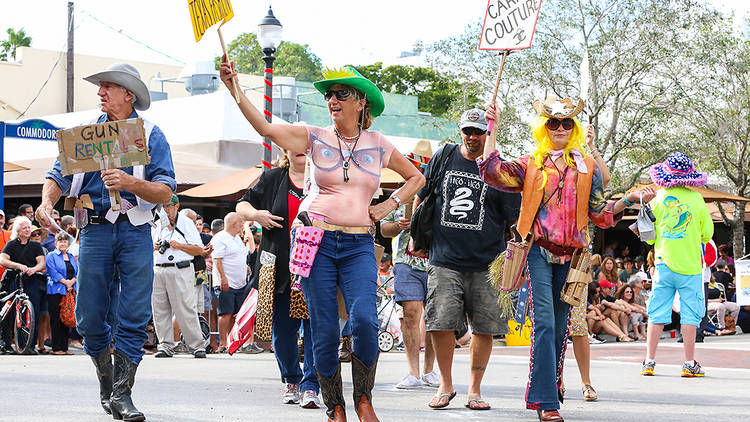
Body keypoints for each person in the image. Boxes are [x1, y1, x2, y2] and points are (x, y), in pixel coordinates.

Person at [220, 60, 424, 422]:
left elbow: (416, 178)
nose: (332, 99)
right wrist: (234, 86)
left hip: (359, 244)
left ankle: (363, 398)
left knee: (363, 320)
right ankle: (336, 406)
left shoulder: (378, 144)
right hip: (317, 241)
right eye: (329, 94)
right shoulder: (313, 136)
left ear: (361, 102)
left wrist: (389, 205)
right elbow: (265, 126)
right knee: (325, 327)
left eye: (341, 94)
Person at [479, 96, 654, 421]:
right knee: (544, 324)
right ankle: (546, 402)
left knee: (560, 329)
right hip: (537, 252)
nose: (559, 128)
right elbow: (492, 172)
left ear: (573, 128)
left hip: (574, 258)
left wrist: (628, 199)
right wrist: (493, 128)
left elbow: (600, 214)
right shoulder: (532, 162)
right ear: (544, 128)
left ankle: (551, 381)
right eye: (553, 123)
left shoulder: (585, 166)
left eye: (566, 123)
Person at [37, 62, 175, 420]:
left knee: (134, 314)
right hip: (95, 228)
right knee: (88, 317)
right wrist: (46, 202)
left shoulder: (151, 135)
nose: (100, 92)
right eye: (100, 87)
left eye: (108, 87)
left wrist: (131, 184)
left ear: (128, 95)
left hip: (135, 230)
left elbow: (165, 191)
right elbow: (58, 174)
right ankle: (107, 381)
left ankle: (122, 394)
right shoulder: (84, 136)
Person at [409, 108, 518, 412]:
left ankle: (475, 390)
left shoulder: (501, 169)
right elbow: (423, 194)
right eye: (467, 131)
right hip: (444, 258)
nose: (472, 137)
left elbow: (513, 221)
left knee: (484, 328)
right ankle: (445, 384)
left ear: (488, 133)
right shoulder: (444, 156)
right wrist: (416, 234)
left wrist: (516, 259)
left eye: (479, 131)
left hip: (487, 262)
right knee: (439, 322)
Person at [236, 149, 321, 409]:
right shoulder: (273, 177)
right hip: (279, 264)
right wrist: (256, 215)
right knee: (283, 330)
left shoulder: (322, 177)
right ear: (285, 149)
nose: (299, 149)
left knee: (316, 329)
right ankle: (292, 379)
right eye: (292, 143)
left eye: (305, 144)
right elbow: (241, 205)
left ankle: (311, 385)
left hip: (316, 264)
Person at [640, 152, 713, 378]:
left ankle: (649, 362)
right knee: (691, 314)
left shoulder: (658, 199)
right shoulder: (697, 199)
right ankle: (689, 363)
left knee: (657, 313)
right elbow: (707, 234)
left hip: (663, 266)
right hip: (690, 267)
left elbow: (649, 238)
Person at [380, 140, 439, 390]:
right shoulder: (401, 194)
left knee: (436, 318)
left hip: (436, 262)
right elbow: (384, 228)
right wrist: (399, 225)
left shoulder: (441, 195)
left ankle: (429, 371)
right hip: (406, 262)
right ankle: (413, 372)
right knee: (411, 312)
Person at [151, 195, 207, 359]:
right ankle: (165, 345)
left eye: (168, 206)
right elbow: (148, 245)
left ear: (176, 206)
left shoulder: (186, 222)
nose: (166, 210)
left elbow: (199, 250)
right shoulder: (158, 223)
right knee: (159, 309)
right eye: (163, 207)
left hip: (180, 267)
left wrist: (180, 246)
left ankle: (197, 345)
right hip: (159, 268)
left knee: (185, 308)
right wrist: (153, 247)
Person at [0, 216, 47, 354]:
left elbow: (41, 262)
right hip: (14, 279)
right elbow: (3, 260)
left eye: (28, 227)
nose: (27, 230)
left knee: (34, 312)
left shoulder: (35, 246)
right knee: (11, 312)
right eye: (24, 228)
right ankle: (7, 344)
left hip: (32, 280)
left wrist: (34, 269)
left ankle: (29, 346)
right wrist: (18, 266)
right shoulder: (11, 244)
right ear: (18, 231)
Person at [211, 212, 250, 353]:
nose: (242, 225)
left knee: (236, 314)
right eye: (241, 222)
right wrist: (223, 278)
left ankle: (232, 342)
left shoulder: (237, 239)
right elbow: (217, 259)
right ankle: (222, 343)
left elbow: (240, 256)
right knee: (225, 313)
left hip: (240, 282)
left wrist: (245, 267)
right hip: (226, 283)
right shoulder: (220, 238)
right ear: (234, 223)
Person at [45, 232, 78, 355]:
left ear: (68, 243)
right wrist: (66, 283)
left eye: (65, 241)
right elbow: (53, 272)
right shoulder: (51, 256)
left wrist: (72, 282)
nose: (63, 243)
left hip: (69, 291)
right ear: (56, 243)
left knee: (67, 317)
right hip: (56, 290)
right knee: (56, 319)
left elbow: (77, 272)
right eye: (60, 241)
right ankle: (56, 348)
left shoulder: (71, 256)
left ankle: (65, 347)